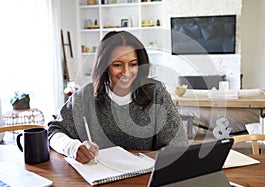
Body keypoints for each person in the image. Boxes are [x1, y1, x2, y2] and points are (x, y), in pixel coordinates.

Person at [48, 31, 188, 164]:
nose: (126, 72)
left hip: (145, 178)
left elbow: (178, 145)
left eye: (133, 64)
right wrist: (72, 148)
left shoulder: (156, 93)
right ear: (104, 66)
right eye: (117, 65)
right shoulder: (85, 96)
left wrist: (136, 160)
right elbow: (54, 131)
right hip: (99, 179)